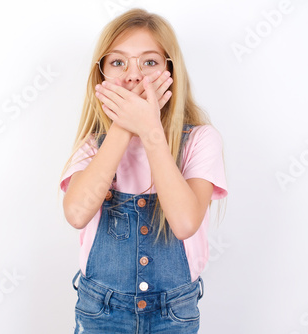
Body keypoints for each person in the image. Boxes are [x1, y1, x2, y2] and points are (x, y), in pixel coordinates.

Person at [59, 8, 228, 333]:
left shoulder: (201, 140)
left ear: (171, 71)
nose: (133, 75)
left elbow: (183, 223)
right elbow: (77, 213)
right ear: (102, 76)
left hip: (173, 315)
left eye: (149, 62)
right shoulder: (94, 146)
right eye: (118, 62)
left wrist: (151, 131)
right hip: (101, 312)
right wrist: (124, 127)